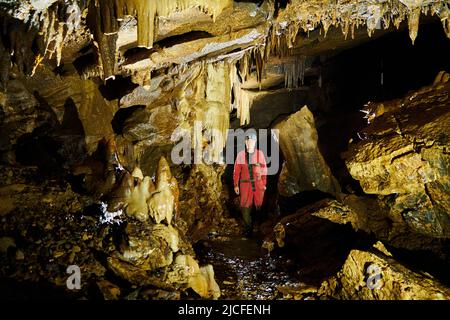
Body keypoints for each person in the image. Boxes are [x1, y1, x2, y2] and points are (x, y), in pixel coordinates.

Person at [233, 132, 267, 237]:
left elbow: (264, 170)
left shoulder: (259, 154)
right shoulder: (240, 155)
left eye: (251, 141)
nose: (249, 143)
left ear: (255, 142)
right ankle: (248, 229)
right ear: (245, 142)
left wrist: (264, 183)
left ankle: (261, 228)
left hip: (258, 184)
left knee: (259, 206)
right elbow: (236, 171)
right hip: (245, 184)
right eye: (247, 141)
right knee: (245, 206)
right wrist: (235, 185)